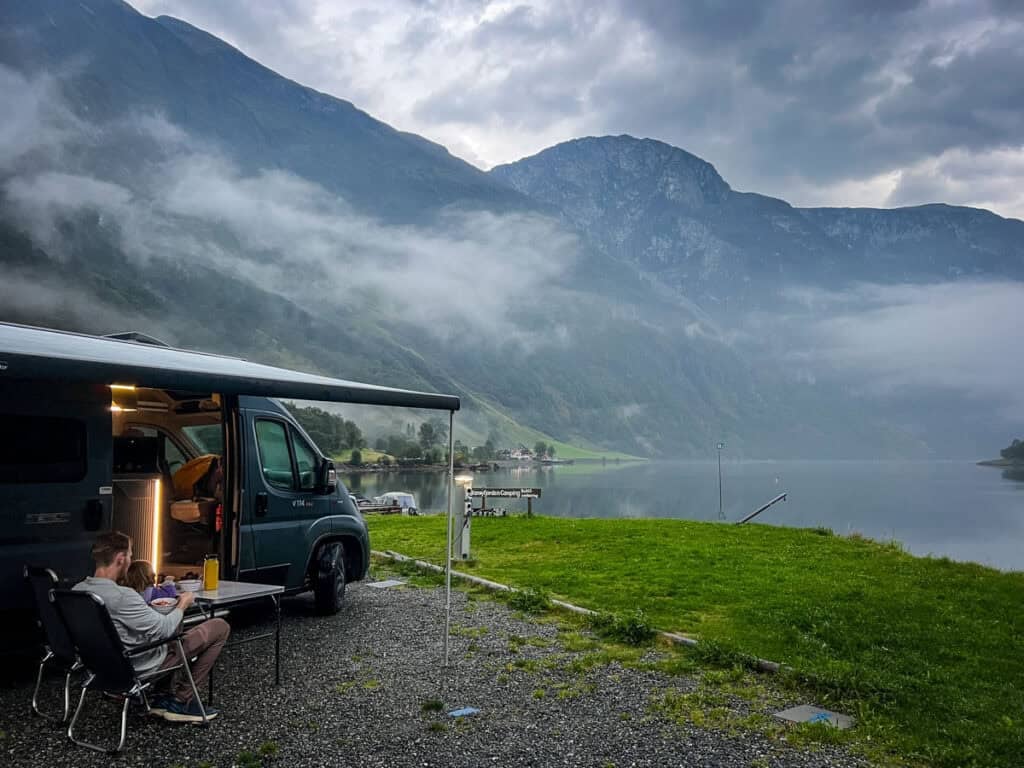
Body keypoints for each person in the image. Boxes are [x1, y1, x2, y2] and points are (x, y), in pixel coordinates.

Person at [73, 531, 229, 723]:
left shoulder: (77, 591)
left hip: (100, 668)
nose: (131, 560)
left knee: (172, 626)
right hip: (138, 667)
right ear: (121, 559)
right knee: (219, 626)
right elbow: (163, 630)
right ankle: (180, 701)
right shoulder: (124, 596)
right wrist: (183, 603)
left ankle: (160, 696)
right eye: (130, 555)